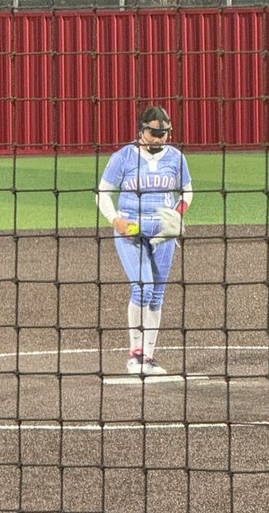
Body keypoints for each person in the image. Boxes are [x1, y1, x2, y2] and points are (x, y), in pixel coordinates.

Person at [96, 106, 193, 377]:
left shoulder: (176, 158)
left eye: (164, 134)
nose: (159, 138)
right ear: (142, 130)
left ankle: (148, 357)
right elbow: (102, 192)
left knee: (157, 295)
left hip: (162, 232)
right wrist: (114, 219)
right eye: (154, 133)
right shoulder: (123, 157)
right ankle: (135, 355)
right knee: (143, 287)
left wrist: (177, 213)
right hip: (130, 231)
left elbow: (187, 191)